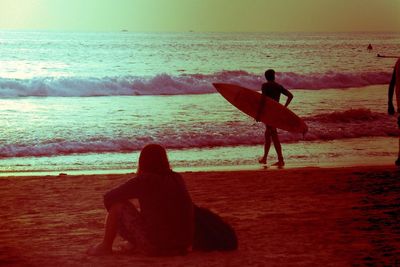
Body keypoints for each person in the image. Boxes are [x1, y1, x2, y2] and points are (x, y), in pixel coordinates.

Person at [87, 144, 194, 256]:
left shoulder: (145, 180)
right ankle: (133, 244)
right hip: (183, 246)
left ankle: (105, 246)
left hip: (158, 247)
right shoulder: (177, 178)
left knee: (117, 205)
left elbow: (109, 197)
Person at [256, 69, 293, 167]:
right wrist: (284, 108)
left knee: (274, 136)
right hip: (275, 113)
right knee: (267, 135)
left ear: (266, 77)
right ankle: (264, 158)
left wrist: (258, 114)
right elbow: (290, 96)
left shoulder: (265, 85)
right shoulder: (278, 86)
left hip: (268, 114)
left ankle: (280, 159)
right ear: (274, 76)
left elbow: (263, 100)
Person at [387, 58, 400, 166]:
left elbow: (392, 84)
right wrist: (390, 103)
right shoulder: (398, 62)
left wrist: (390, 103)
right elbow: (392, 83)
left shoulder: (398, 62)